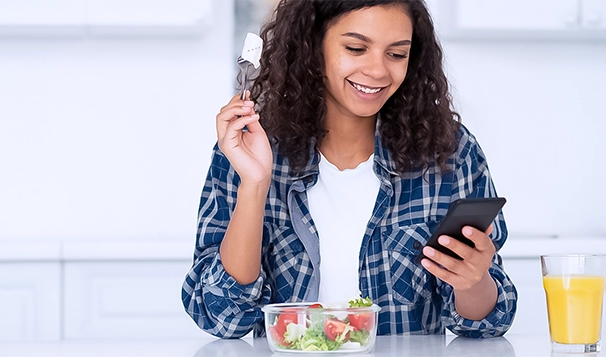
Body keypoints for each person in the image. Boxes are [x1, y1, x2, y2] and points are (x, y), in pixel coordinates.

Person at [182, 0, 517, 339]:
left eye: (397, 54)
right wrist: (254, 186)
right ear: (313, 46)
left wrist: (473, 281)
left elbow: (486, 325)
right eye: (356, 48)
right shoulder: (248, 148)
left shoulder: (450, 152)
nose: (378, 71)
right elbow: (223, 318)